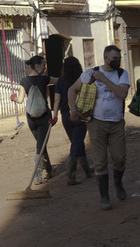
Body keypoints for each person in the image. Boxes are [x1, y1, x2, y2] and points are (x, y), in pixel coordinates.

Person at [68, 45, 130, 211]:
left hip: (116, 122)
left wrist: (103, 79)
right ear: (105, 58)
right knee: (100, 162)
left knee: (119, 158)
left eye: (119, 58)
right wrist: (73, 110)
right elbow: (71, 90)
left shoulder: (121, 74)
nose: (117, 61)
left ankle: (118, 184)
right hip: (96, 123)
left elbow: (122, 94)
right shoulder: (90, 73)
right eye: (114, 59)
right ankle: (104, 197)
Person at [10, 55, 58, 184]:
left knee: (41, 143)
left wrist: (13, 98)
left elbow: (19, 100)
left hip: (31, 118)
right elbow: (59, 82)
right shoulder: (45, 79)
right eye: (43, 65)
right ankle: (37, 176)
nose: (45, 67)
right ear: (37, 66)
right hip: (44, 118)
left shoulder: (23, 81)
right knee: (40, 146)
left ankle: (48, 169)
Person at [53, 56, 92, 185]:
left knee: (77, 142)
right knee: (76, 143)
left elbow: (57, 100)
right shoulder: (81, 79)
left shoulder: (61, 81)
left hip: (65, 115)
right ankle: (71, 175)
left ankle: (87, 170)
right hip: (79, 114)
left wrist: (55, 115)